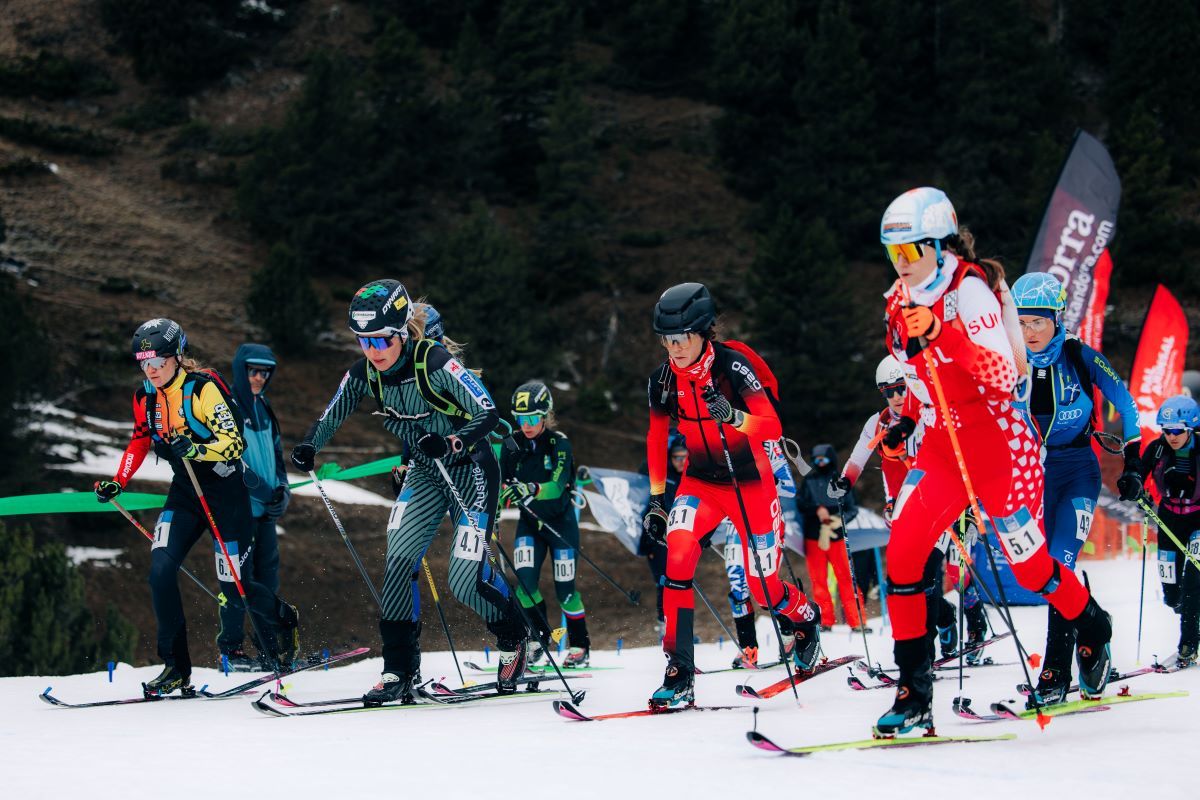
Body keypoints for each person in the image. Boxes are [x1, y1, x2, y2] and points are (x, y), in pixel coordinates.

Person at [873, 187, 1112, 736]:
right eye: (893, 255)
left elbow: (1005, 375)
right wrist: (908, 420)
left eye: (909, 253)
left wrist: (942, 334)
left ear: (937, 245)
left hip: (998, 446)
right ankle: (913, 693)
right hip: (940, 445)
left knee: (1029, 567)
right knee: (904, 556)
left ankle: (1092, 623)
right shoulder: (899, 297)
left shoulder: (970, 290)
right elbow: (916, 373)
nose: (901, 266)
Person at [290, 280, 529, 704]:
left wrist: (454, 441)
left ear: (402, 333)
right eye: (365, 341)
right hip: (425, 474)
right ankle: (399, 668)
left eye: (382, 339)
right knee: (398, 559)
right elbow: (331, 414)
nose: (374, 350)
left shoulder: (434, 362)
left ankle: (514, 636)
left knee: (463, 579)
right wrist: (310, 444)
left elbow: (488, 412)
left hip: (471, 471)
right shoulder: (364, 371)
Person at [93, 319, 299, 695]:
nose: (151, 370)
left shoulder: (202, 389)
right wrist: (118, 481)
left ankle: (284, 622)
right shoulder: (145, 397)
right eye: (144, 363)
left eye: (158, 361)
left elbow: (233, 443)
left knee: (233, 587)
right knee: (160, 570)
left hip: (225, 493)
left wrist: (198, 449)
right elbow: (140, 440)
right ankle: (175, 667)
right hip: (186, 492)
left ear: (177, 357)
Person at [643, 282, 821, 708]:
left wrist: (734, 416)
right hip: (701, 483)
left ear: (703, 331)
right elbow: (655, 438)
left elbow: (772, 426)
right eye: (667, 340)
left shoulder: (733, 366)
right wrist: (655, 500)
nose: (674, 348)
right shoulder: (663, 380)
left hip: (752, 484)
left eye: (682, 338)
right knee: (678, 557)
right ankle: (678, 671)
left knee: (763, 589)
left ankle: (804, 619)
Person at [1011, 271, 1142, 703]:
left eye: (1037, 322)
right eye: (1021, 321)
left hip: (1076, 472)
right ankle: (1094, 630)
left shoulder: (1079, 355)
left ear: (1057, 318)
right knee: (1038, 575)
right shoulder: (1008, 362)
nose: (1028, 332)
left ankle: (1054, 673)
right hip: (1030, 478)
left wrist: (1134, 459)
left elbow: (1125, 401)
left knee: (1058, 565)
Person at [834, 356, 989, 662]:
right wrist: (844, 483)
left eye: (901, 388)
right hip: (908, 508)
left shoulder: (932, 415)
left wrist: (973, 504)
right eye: (888, 391)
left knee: (955, 575)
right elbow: (857, 460)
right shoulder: (877, 424)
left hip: (947, 503)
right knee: (918, 577)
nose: (896, 396)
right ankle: (941, 625)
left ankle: (974, 625)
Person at [500, 381, 591, 668]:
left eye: (532, 418)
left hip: (560, 525)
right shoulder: (511, 445)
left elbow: (557, 485)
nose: (525, 425)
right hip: (530, 525)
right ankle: (539, 639)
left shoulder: (559, 443)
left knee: (565, 591)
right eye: (520, 419)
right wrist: (506, 494)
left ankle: (580, 645)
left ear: (545, 415)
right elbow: (502, 483)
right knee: (524, 585)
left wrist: (530, 489)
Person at [216, 343, 293, 671]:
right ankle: (231, 651)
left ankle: (268, 649)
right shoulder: (227, 407)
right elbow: (229, 460)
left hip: (265, 513)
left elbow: (276, 455)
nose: (259, 377)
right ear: (240, 370)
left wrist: (283, 491)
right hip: (236, 511)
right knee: (236, 582)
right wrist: (265, 491)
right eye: (253, 371)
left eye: (265, 372)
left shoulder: (265, 407)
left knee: (268, 581)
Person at [1132, 395, 1200, 666]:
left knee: (1194, 582)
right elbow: (1138, 469)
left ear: (1191, 428)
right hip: (1169, 520)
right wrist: (1134, 483)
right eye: (1167, 430)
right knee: (1173, 594)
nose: (1171, 436)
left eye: (1177, 431)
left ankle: (1188, 645)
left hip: (1198, 521)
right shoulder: (1157, 449)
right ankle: (1191, 616)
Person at [796, 444, 863, 631]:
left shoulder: (840, 480)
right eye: (816, 460)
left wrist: (839, 520)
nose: (820, 463)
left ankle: (856, 620)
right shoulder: (809, 481)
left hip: (836, 536)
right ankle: (825, 620)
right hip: (813, 537)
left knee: (846, 578)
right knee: (818, 580)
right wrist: (816, 509)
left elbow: (852, 509)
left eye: (823, 459)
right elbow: (801, 504)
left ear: (830, 459)